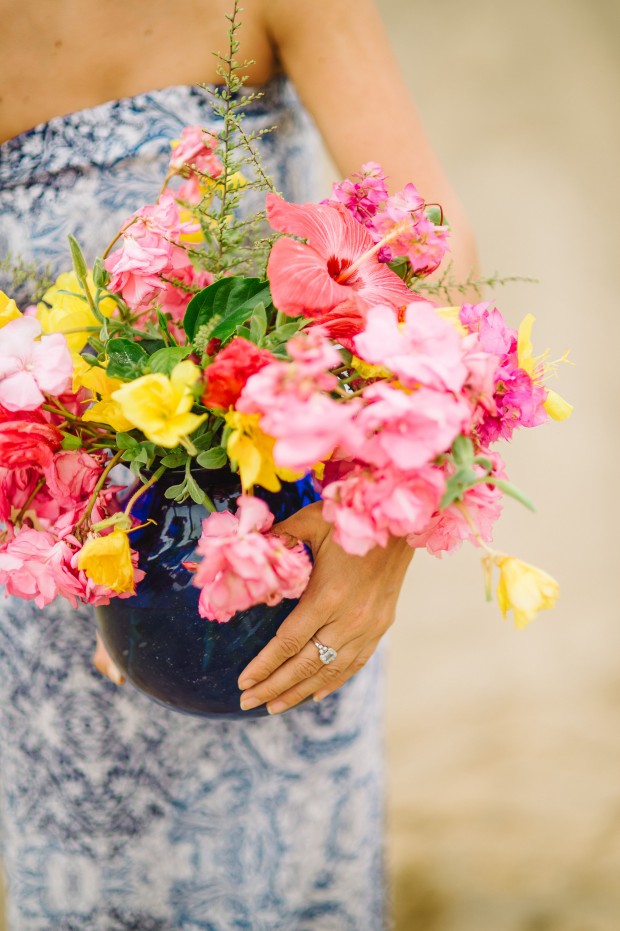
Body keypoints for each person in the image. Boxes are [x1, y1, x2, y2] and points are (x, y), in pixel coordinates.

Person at [0, 1, 478, 928]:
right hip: (47, 556)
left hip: (288, 551)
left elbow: (432, 244)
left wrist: (389, 521)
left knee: (293, 874)